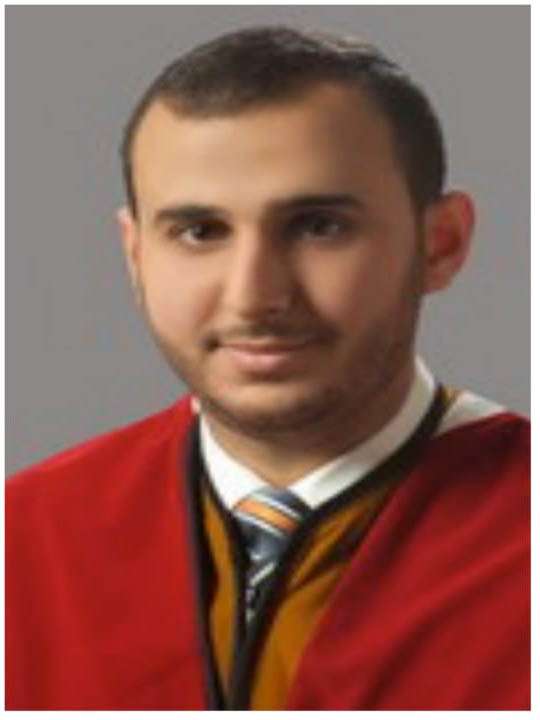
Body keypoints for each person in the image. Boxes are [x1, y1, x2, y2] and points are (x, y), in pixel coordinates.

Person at [6, 25, 530, 711]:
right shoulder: (25, 539)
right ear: (136, 255)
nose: (255, 296)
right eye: (200, 232)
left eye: (318, 226)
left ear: (441, 244)